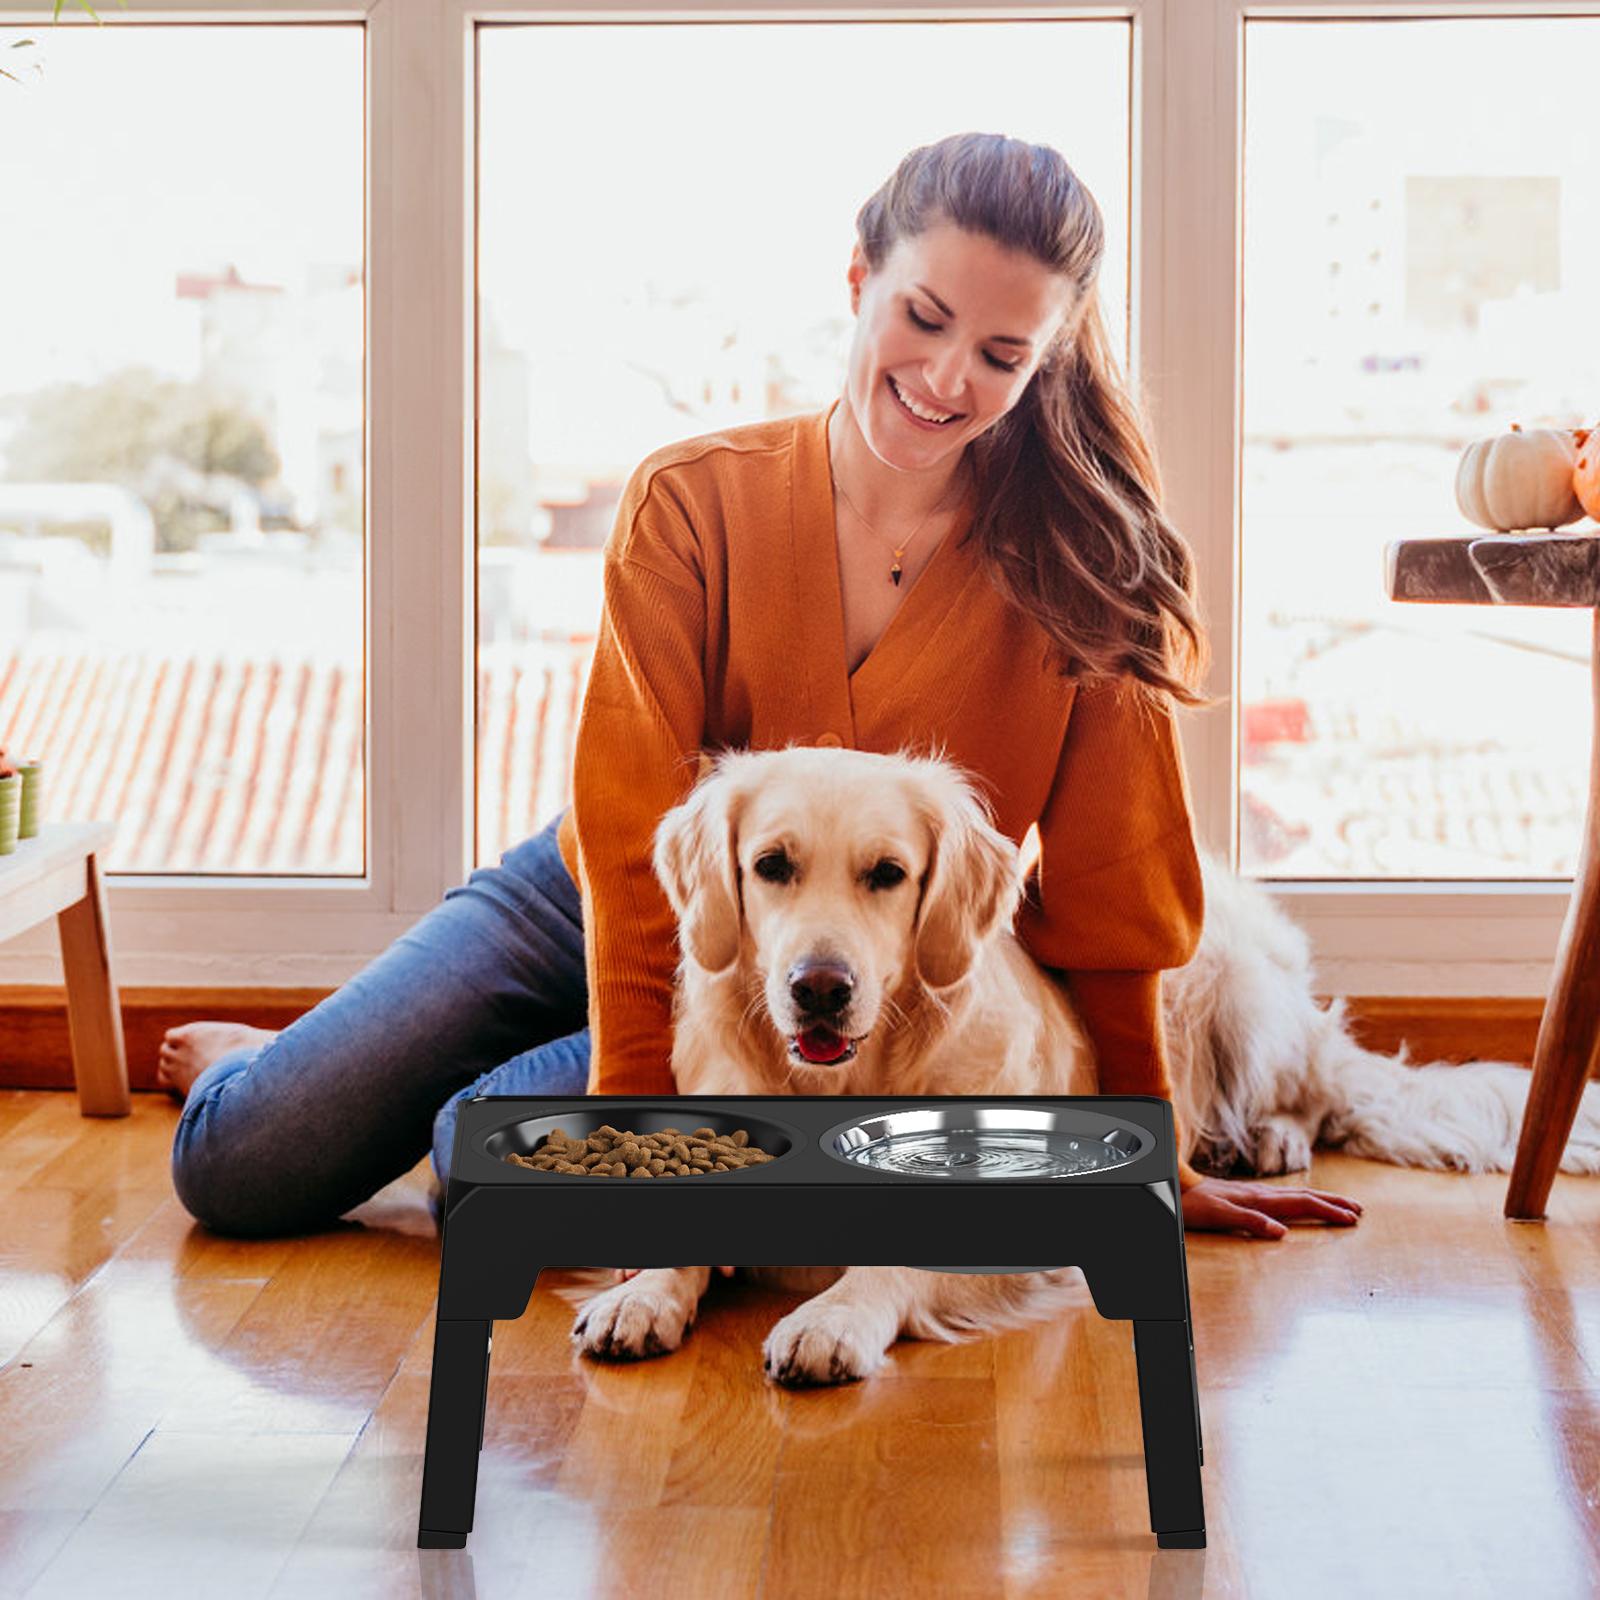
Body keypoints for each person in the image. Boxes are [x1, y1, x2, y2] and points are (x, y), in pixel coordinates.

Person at [165, 131, 1362, 1243]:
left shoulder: (1092, 570)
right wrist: (629, 1107)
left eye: (1001, 354)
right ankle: (285, 1067)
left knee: (471, 1165)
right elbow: (635, 827)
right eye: (923, 317)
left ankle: (406, 1079)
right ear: (857, 278)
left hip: (817, 977)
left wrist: (1148, 1155)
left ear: (1044, 361)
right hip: (610, 888)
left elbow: (1113, 897)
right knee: (239, 1162)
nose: (946, 378)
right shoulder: (689, 500)